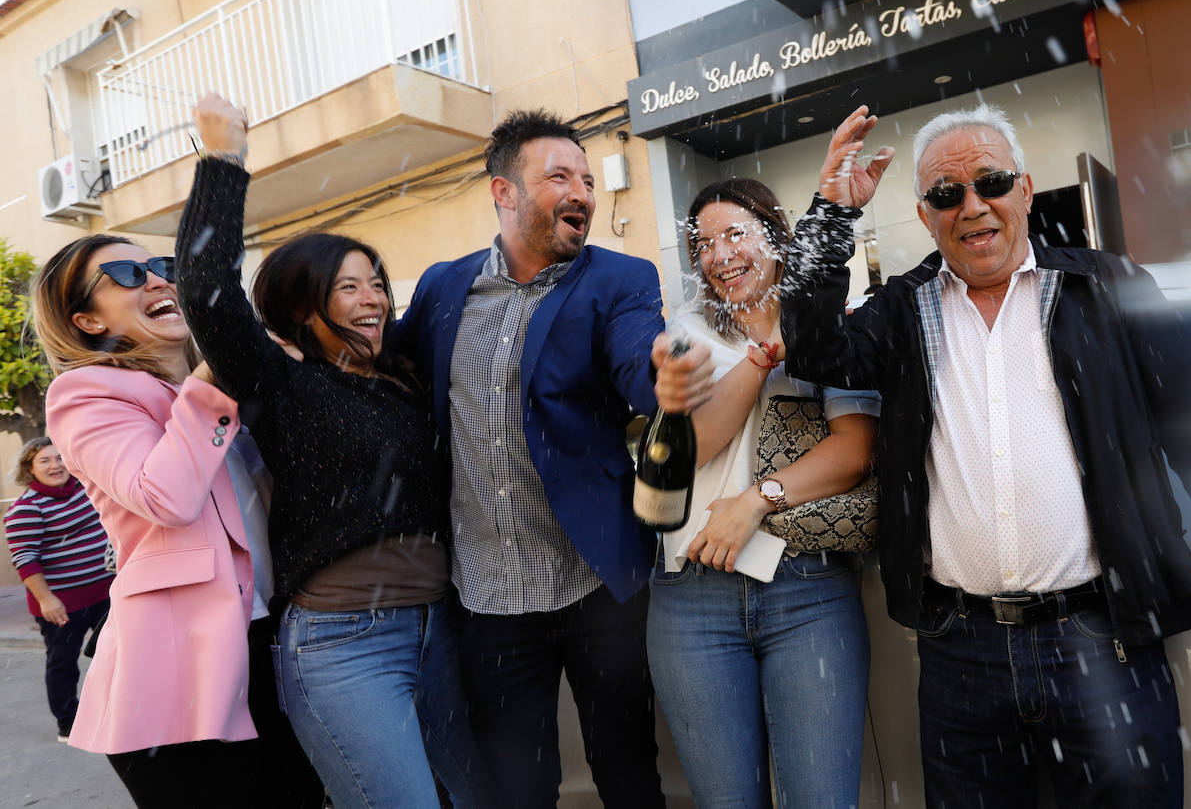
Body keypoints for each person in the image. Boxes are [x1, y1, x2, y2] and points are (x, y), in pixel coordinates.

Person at [778, 104, 1191, 809]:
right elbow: (814, 350)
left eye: (991, 182)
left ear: (1026, 190)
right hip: (959, 650)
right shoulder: (903, 308)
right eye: (946, 193)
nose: (972, 205)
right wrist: (831, 215)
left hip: (1103, 640)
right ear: (924, 215)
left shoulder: (1107, 287)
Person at [175, 94, 486, 809]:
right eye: (348, 287)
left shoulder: (404, 378)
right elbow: (205, 288)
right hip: (344, 646)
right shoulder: (282, 384)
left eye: (377, 283)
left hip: (438, 629)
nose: (373, 298)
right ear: (301, 308)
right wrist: (224, 159)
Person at [393, 108, 710, 809]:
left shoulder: (619, 279)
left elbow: (635, 356)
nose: (583, 193)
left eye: (588, 181)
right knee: (519, 789)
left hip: (596, 584)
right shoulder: (444, 288)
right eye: (560, 177)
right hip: (488, 598)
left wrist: (661, 377)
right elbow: (387, 370)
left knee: (628, 774)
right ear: (503, 192)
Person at [30, 234, 312, 808]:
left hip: (269, 640)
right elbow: (165, 497)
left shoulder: (208, 390)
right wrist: (209, 382)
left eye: (162, 266)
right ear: (87, 320)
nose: (160, 280)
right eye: (128, 273)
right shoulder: (85, 393)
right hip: (175, 669)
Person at [645, 178, 879, 808]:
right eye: (704, 244)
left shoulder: (829, 326)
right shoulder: (688, 331)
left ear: (775, 239)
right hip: (693, 599)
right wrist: (762, 358)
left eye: (735, 234)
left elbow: (855, 450)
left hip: (808, 589)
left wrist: (755, 502)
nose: (720, 255)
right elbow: (695, 447)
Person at [5, 436, 113, 742]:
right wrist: (46, 599)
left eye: (59, 458)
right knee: (63, 663)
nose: (55, 466)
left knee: (117, 653)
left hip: (105, 592)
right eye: (45, 460)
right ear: (30, 468)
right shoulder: (26, 509)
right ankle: (69, 723)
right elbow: (25, 560)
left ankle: (115, 710)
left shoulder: (86, 488)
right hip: (62, 603)